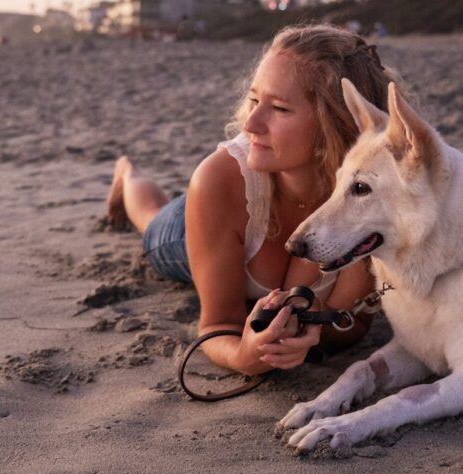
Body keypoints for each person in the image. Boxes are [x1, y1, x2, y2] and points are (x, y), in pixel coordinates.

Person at [106, 24, 408, 376]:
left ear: (335, 125)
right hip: (208, 219)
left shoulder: (370, 205)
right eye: (253, 100)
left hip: (241, 209)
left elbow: (353, 324)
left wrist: (311, 331)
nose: (250, 124)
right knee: (151, 219)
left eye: (279, 108)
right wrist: (244, 356)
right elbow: (217, 325)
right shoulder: (217, 179)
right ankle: (127, 173)